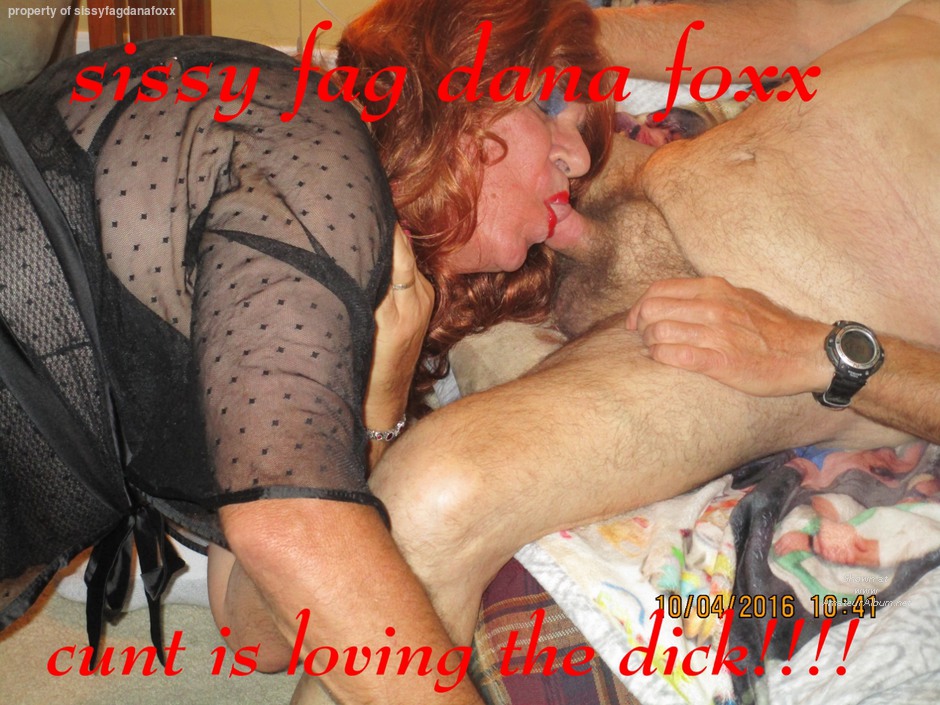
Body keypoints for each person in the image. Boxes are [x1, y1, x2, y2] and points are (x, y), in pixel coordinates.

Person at [0, 1, 612, 703]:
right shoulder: (314, 148)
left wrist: (380, 405)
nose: (577, 158)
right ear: (454, 88)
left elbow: (254, 626)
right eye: (549, 106)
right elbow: (287, 528)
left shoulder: (322, 260)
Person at [367, 0, 940, 653]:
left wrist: (827, 354)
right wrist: (536, 53)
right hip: (599, 284)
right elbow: (801, 26)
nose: (572, 153)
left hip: (770, 351)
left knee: (430, 503)